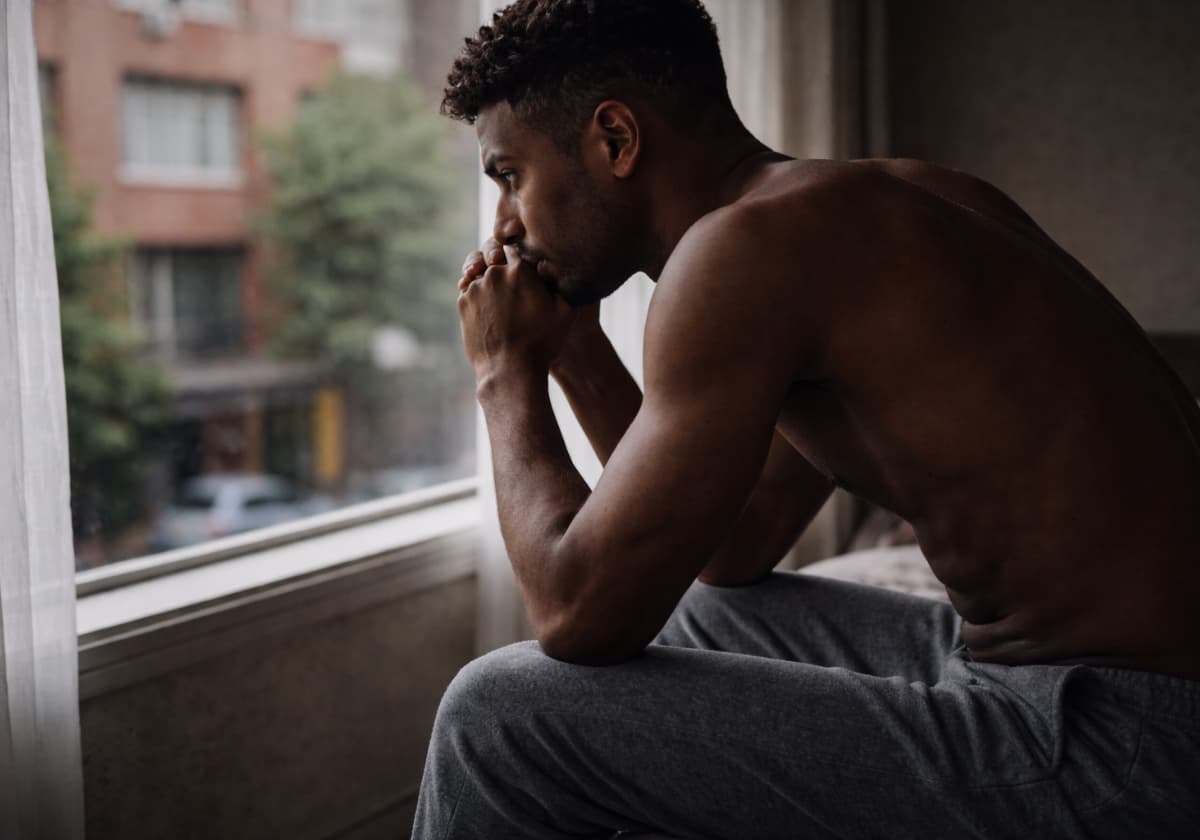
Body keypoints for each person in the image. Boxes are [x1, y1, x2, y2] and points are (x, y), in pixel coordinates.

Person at [413, 1, 1200, 836]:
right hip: (1123, 692)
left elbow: (575, 615)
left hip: (1129, 742)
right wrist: (572, 349)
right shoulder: (871, 208)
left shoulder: (740, 260)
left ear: (614, 138)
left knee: (496, 716)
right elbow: (733, 546)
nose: (502, 226)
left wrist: (504, 372)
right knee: (699, 616)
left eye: (508, 177)